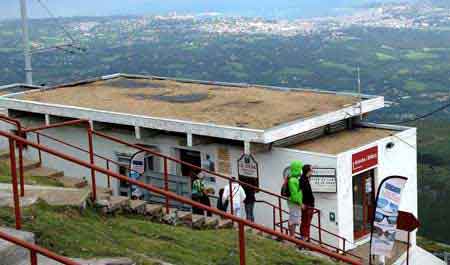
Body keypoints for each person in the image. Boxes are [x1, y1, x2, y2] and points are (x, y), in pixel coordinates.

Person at [287, 160, 303, 237]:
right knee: (293, 219)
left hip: (295, 202)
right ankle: (292, 236)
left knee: (294, 218)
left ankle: (292, 236)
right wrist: (300, 203)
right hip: (294, 203)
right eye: (300, 168)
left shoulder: (294, 179)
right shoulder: (293, 180)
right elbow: (295, 195)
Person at [300, 164, 315, 241]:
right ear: (308, 171)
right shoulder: (303, 180)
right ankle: (304, 239)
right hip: (307, 205)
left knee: (306, 222)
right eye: (312, 170)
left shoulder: (304, 179)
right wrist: (302, 203)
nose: (313, 171)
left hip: (308, 204)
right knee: (306, 222)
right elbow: (303, 192)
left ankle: (306, 238)